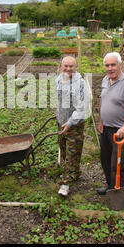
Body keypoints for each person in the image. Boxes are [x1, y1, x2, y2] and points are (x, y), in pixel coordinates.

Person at [96, 52, 124, 195]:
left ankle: (118, 189)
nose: (110, 68)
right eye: (107, 65)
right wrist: (100, 121)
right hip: (106, 127)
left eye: (113, 65)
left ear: (120, 65)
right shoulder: (105, 80)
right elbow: (103, 100)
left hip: (120, 130)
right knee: (105, 158)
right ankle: (110, 185)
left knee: (118, 161)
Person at [55, 56, 89, 196]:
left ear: (76, 67)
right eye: (65, 66)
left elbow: (81, 108)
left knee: (72, 153)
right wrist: (58, 115)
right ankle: (74, 173)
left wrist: (69, 123)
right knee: (63, 150)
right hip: (61, 122)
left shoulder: (80, 84)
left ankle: (66, 184)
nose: (68, 69)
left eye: (71, 66)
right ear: (61, 66)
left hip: (74, 124)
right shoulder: (59, 79)